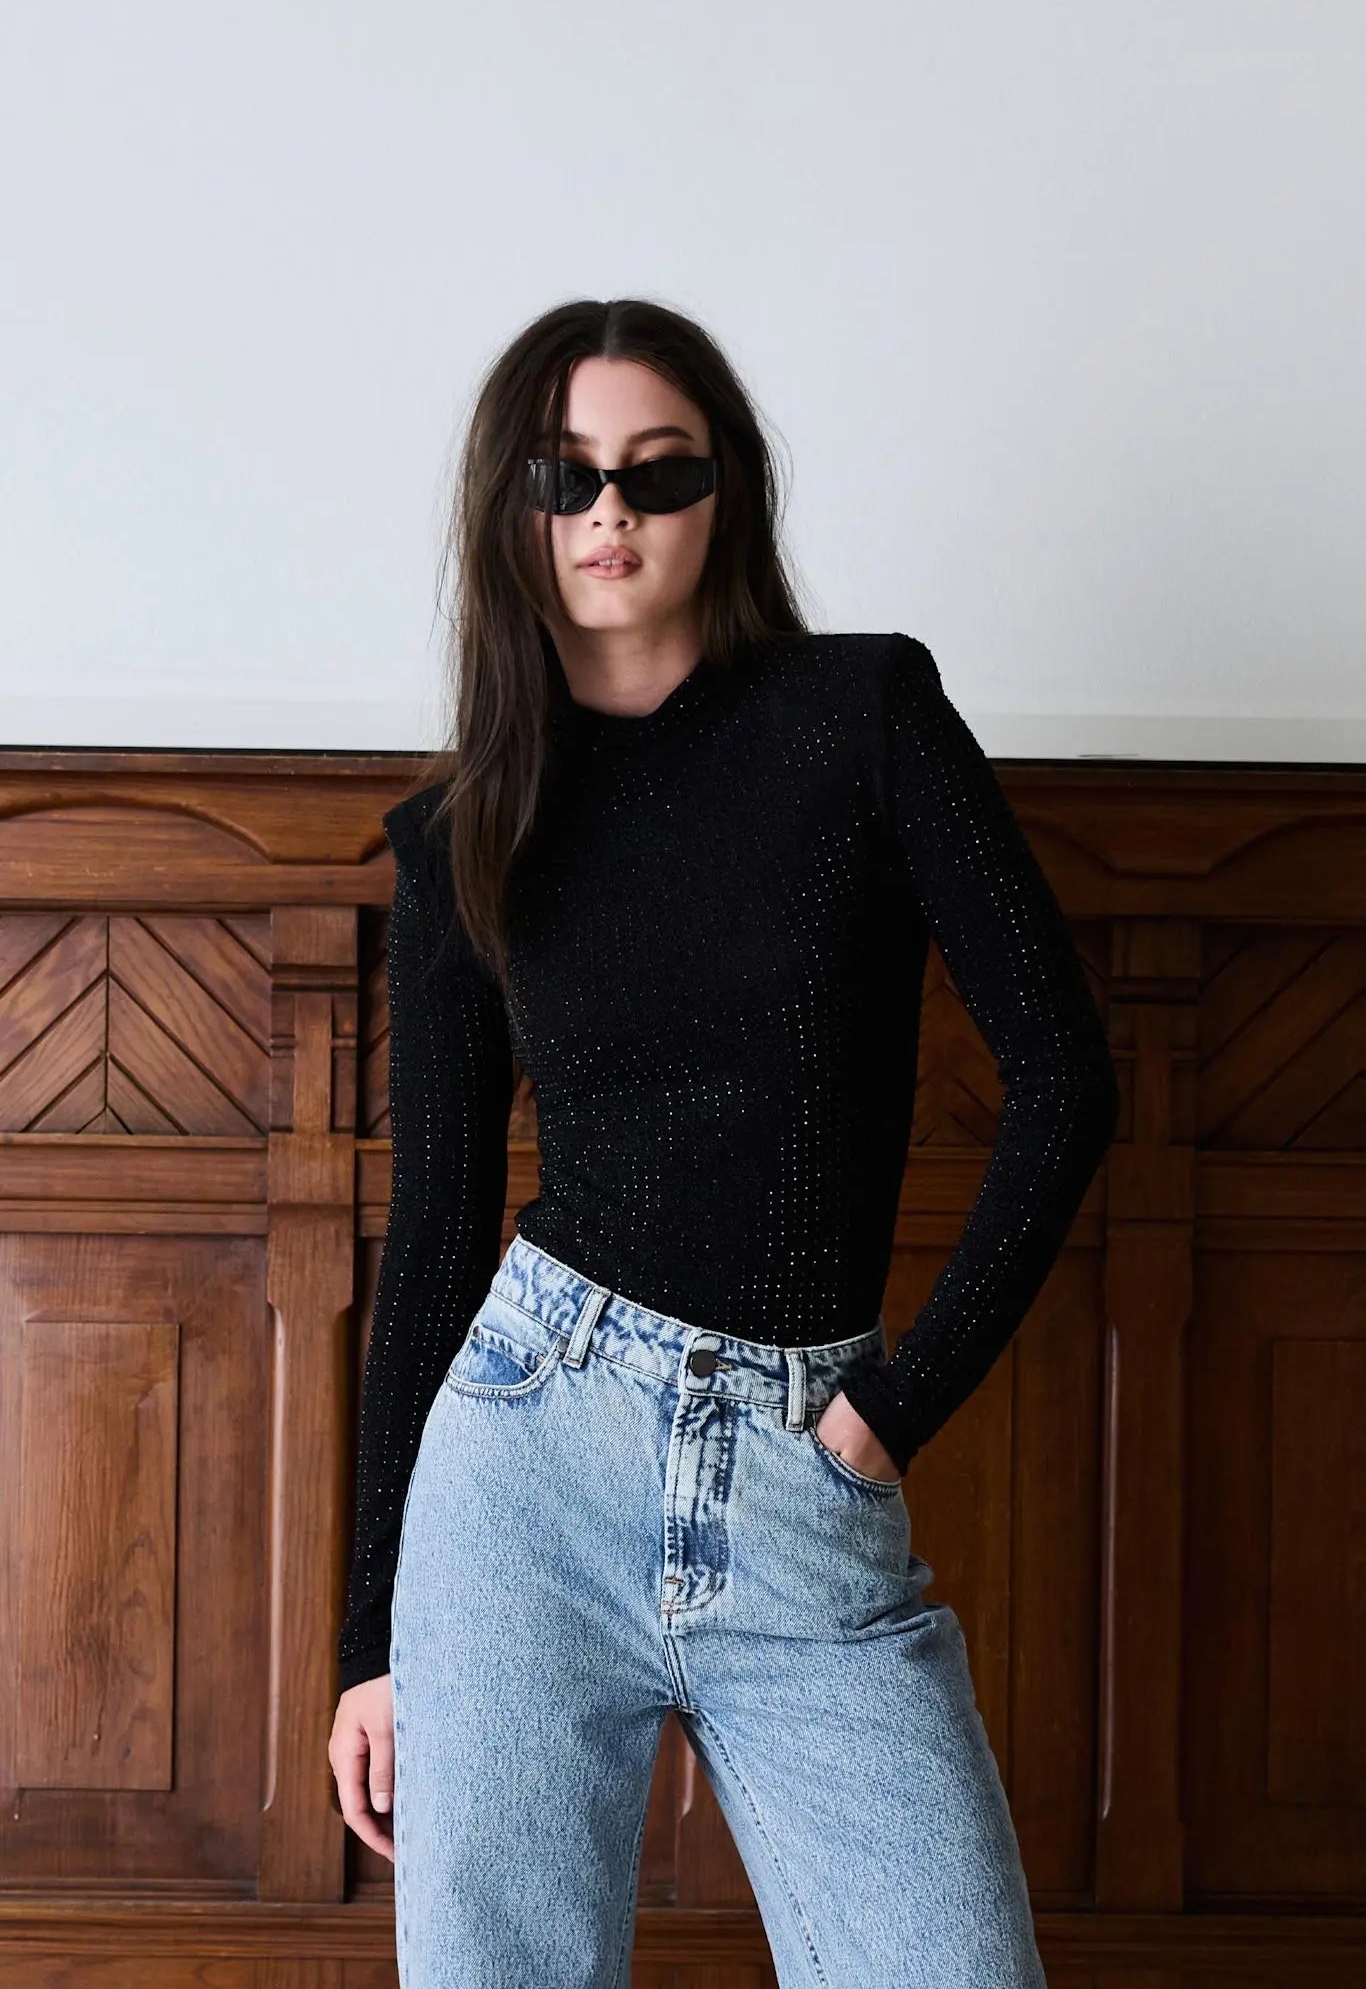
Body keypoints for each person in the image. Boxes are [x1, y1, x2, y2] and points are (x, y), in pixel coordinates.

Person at [328, 298, 1119, 1988]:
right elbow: (435, 1239)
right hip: (524, 1466)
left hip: (801, 1466)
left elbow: (1064, 1078)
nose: (607, 511)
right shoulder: (466, 832)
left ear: (725, 491)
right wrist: (368, 1639)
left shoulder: (862, 716)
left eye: (656, 471)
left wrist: (884, 1415)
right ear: (510, 506)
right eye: (564, 476)